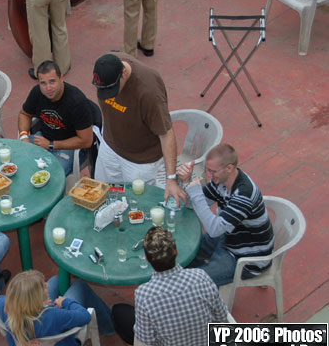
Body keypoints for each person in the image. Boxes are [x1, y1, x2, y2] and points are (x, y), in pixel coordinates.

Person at [111, 227, 229, 346]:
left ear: (147, 259)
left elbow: (145, 339)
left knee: (119, 312)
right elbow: (223, 317)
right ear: (177, 252)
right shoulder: (201, 276)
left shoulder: (144, 294)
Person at [91, 53, 186, 206]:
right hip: (110, 146)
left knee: (138, 205)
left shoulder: (148, 91)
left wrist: (171, 179)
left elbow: (167, 134)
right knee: (103, 195)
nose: (109, 95)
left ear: (123, 73)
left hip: (140, 161)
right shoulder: (106, 67)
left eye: (113, 89)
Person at [179, 143, 274, 286]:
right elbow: (192, 204)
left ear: (229, 168)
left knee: (195, 282)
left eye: (212, 171)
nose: (209, 176)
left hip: (246, 258)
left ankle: (204, 287)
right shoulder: (221, 180)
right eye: (207, 170)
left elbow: (214, 229)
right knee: (185, 252)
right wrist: (186, 182)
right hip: (229, 238)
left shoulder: (244, 194)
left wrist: (195, 192)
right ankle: (203, 276)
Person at [0, 270, 114, 346]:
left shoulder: (6, 307)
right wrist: (65, 302)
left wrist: (40, 305)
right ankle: (110, 327)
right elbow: (85, 316)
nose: (46, 285)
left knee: (56, 280)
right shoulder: (55, 315)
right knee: (80, 285)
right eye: (43, 286)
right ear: (36, 300)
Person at [18, 60, 94, 176]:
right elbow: (24, 114)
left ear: (61, 78)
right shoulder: (37, 92)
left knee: (51, 178)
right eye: (43, 83)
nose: (48, 88)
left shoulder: (77, 102)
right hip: (43, 139)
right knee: (18, 165)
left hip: (71, 147)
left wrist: (51, 145)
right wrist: (24, 135)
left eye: (52, 82)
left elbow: (86, 141)